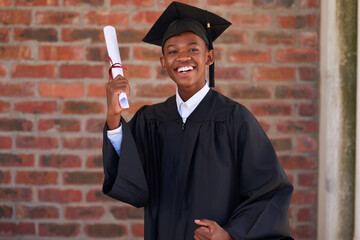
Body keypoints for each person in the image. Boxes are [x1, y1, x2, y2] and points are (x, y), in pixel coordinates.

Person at [102, 2, 294, 239]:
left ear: (209, 57)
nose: (183, 57)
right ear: (163, 63)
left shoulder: (234, 119)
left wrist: (230, 234)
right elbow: (134, 184)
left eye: (193, 49)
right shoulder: (151, 120)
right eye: (172, 51)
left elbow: (270, 191)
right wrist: (114, 117)